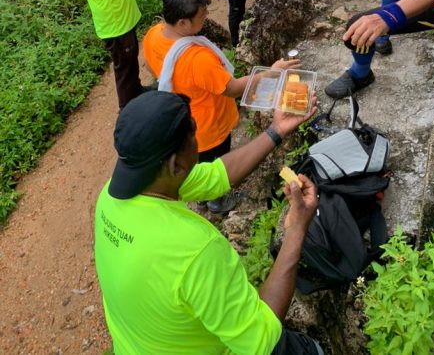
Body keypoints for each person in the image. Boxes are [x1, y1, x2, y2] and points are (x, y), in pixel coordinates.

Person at [94, 90, 325, 355]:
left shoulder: (113, 194)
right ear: (175, 164)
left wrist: (275, 130)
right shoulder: (195, 250)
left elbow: (216, 175)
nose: (197, 138)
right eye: (193, 132)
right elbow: (262, 339)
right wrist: (296, 229)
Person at [143, 0, 299, 213]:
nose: (206, 18)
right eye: (202, 15)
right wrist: (270, 73)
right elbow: (233, 88)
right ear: (183, 22)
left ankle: (203, 198)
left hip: (188, 119)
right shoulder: (197, 59)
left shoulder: (154, 35)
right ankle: (216, 202)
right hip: (210, 126)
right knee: (214, 164)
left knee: (196, 164)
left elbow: (152, 67)